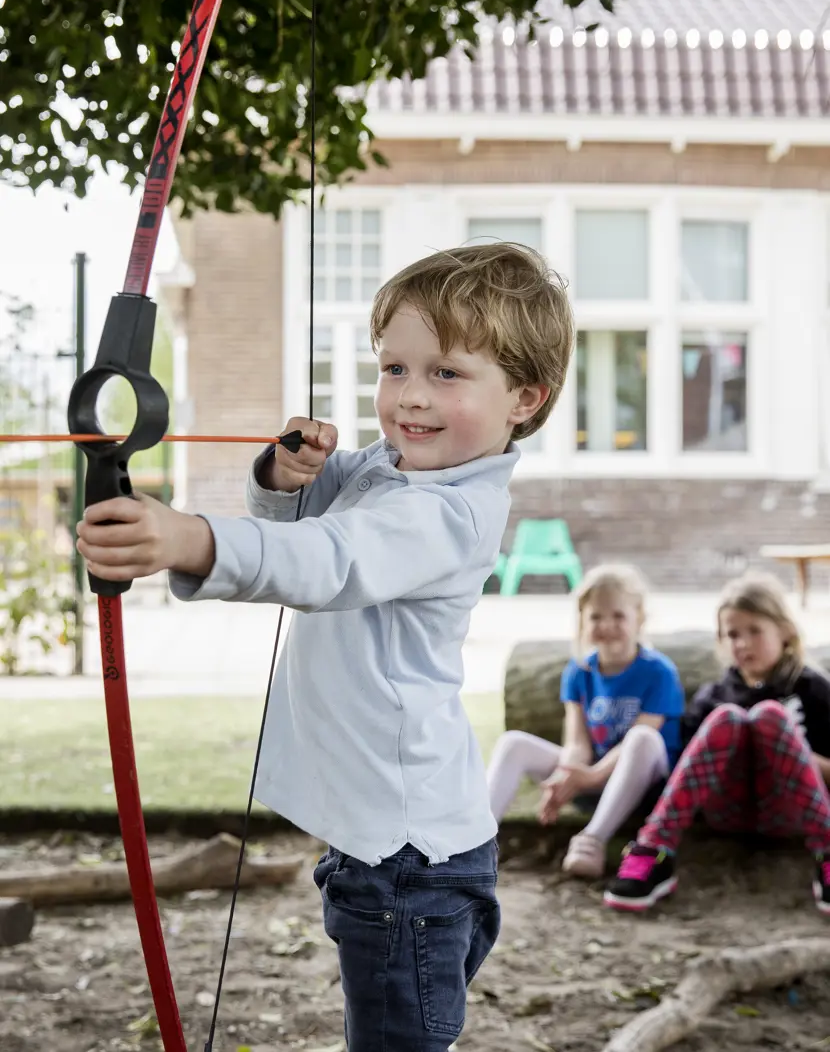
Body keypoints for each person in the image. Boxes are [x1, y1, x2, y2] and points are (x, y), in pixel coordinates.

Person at [75, 242, 575, 1051]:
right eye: (394, 369)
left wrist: (189, 539)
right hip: (392, 847)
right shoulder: (396, 468)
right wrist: (283, 473)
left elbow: (327, 560)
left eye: (446, 374)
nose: (409, 397)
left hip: (409, 868)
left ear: (525, 396)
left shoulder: (445, 514)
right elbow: (305, 514)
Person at [604, 571, 830, 915]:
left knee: (770, 716)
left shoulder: (812, 689)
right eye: (733, 634)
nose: (742, 643)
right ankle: (653, 850)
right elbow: (684, 772)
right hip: (725, 808)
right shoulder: (715, 696)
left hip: (790, 811)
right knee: (728, 718)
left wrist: (791, 752)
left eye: (755, 631)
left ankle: (827, 851)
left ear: (784, 630)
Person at [486, 564, 684, 878]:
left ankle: (593, 839)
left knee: (642, 739)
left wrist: (590, 776)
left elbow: (645, 734)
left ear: (639, 618)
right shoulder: (580, 671)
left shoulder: (659, 672)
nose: (606, 625)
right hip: (592, 777)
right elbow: (577, 741)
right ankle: (475, 841)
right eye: (596, 617)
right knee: (514, 744)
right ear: (582, 621)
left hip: (643, 784)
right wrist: (566, 774)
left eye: (618, 616)